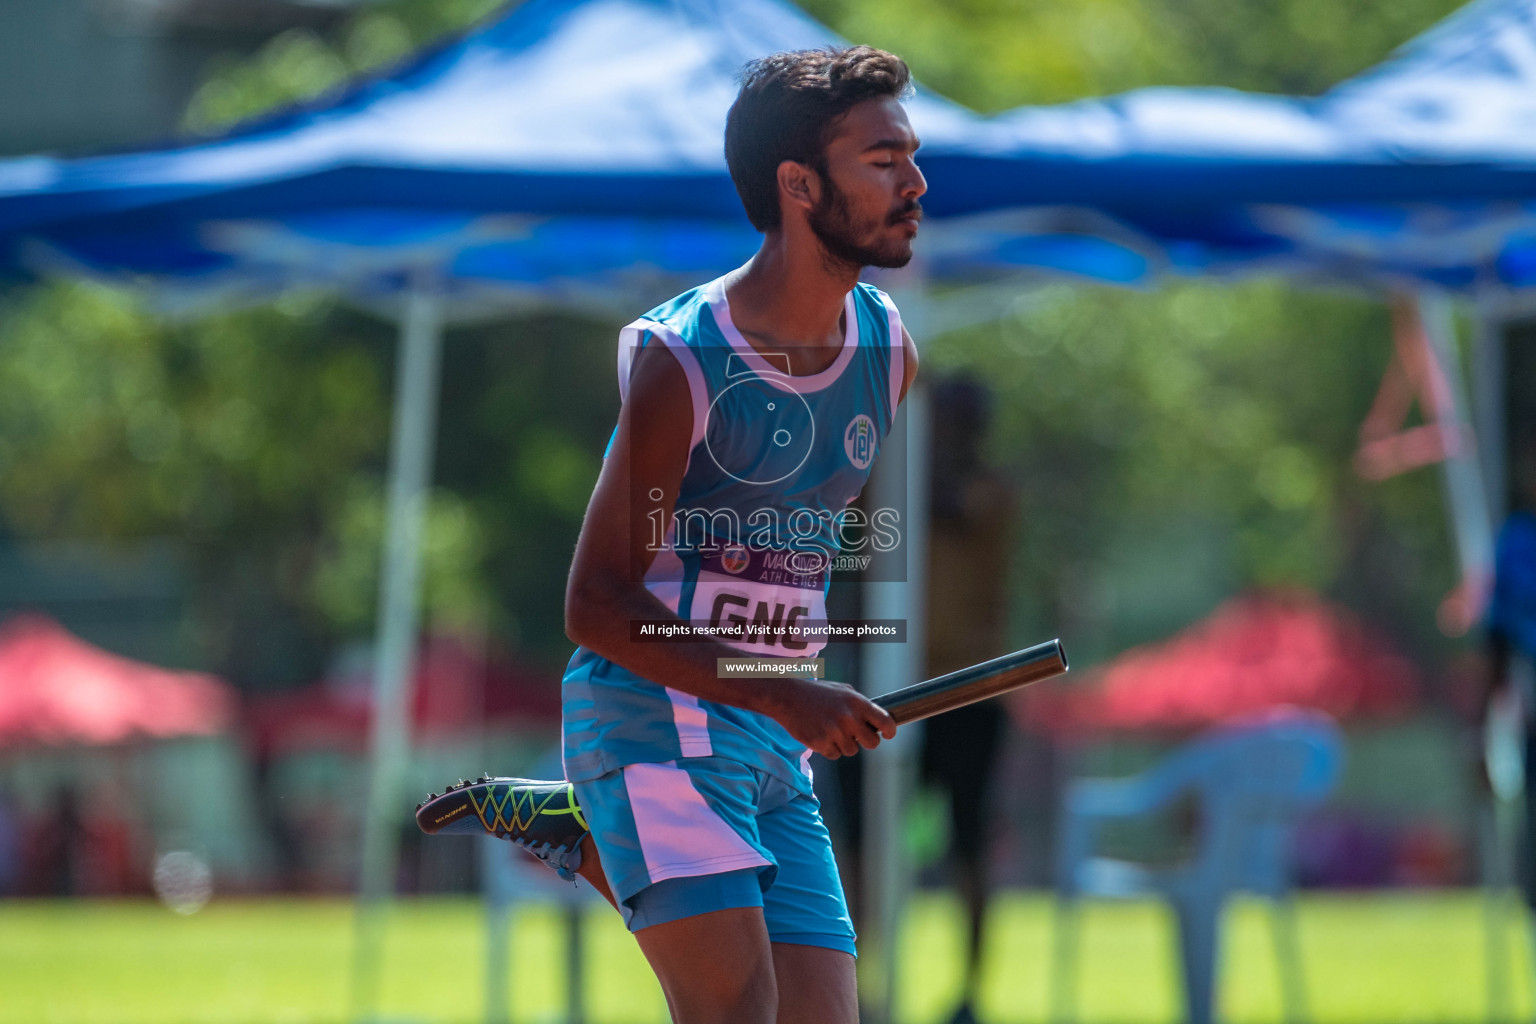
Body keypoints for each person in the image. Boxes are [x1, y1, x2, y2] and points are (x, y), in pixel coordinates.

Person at [421, 46, 925, 1024]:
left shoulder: (888, 348)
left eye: (911, 155)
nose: (915, 182)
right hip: (652, 718)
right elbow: (595, 603)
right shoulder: (684, 357)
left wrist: (804, 680)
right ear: (798, 185)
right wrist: (785, 685)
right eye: (883, 159)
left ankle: (591, 829)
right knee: (736, 1010)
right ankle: (611, 810)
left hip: (772, 739)